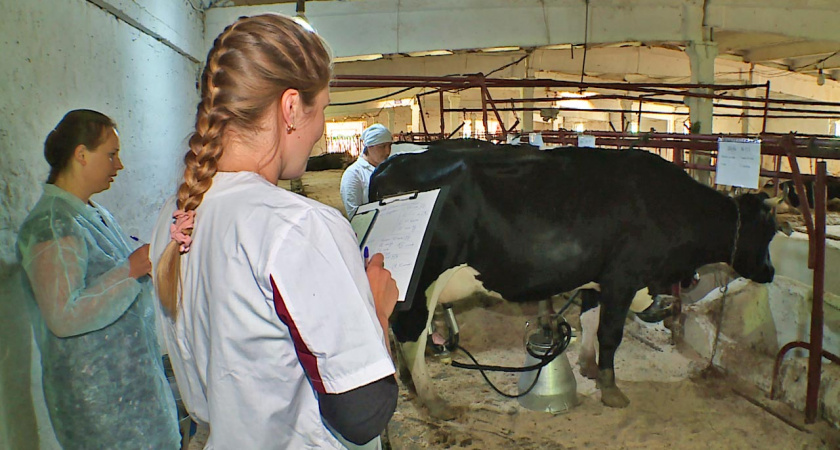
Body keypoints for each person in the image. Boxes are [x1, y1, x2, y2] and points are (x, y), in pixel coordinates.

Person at [151, 14, 399, 449]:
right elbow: (364, 414)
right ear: (289, 108)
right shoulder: (297, 226)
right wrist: (377, 310)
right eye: (320, 108)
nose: (320, 131)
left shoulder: (176, 217)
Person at [16, 109, 180, 449]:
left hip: (129, 396)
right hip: (99, 407)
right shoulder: (52, 225)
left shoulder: (90, 213)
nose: (118, 165)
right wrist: (131, 270)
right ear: (81, 155)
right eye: (111, 154)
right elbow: (63, 315)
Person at [340, 124, 393, 218]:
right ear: (369, 147)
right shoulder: (353, 174)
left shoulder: (389, 169)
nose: (387, 151)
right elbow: (354, 215)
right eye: (382, 146)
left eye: (389, 145)